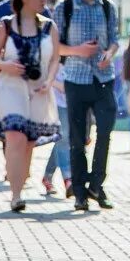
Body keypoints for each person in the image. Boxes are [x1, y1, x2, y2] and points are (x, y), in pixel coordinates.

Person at [0, 0, 61, 212]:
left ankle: (20, 181)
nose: (44, 0)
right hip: (10, 85)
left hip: (38, 89)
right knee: (16, 135)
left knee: (28, 141)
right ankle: (16, 195)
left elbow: (55, 59)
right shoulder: (6, 25)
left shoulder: (49, 27)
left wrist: (49, 82)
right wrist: (5, 65)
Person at [52, 0, 120, 212]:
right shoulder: (65, 7)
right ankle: (80, 192)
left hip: (104, 78)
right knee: (78, 139)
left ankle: (97, 185)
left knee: (105, 132)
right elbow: (55, 45)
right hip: (76, 79)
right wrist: (79, 50)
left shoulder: (107, 6)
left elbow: (114, 39)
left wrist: (109, 54)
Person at [42, 69, 73, 198]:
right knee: (63, 138)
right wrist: (54, 83)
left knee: (62, 141)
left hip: (75, 103)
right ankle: (68, 178)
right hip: (58, 104)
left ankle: (47, 177)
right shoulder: (55, 58)